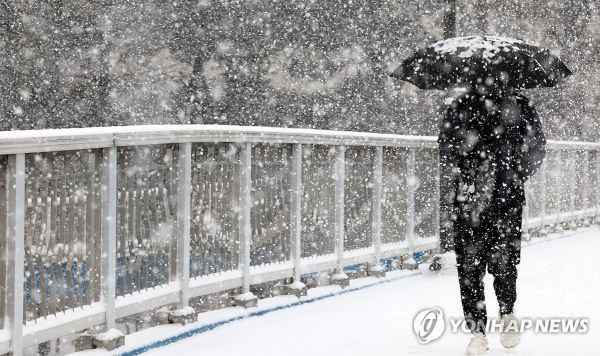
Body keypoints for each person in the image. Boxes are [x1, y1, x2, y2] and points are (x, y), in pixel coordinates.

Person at [438, 86, 546, 355]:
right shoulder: (461, 105)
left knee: (505, 260)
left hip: (505, 199)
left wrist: (513, 174)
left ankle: (507, 312)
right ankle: (477, 332)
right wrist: (468, 171)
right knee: (469, 267)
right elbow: (446, 146)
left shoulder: (519, 104)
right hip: (469, 199)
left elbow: (536, 147)